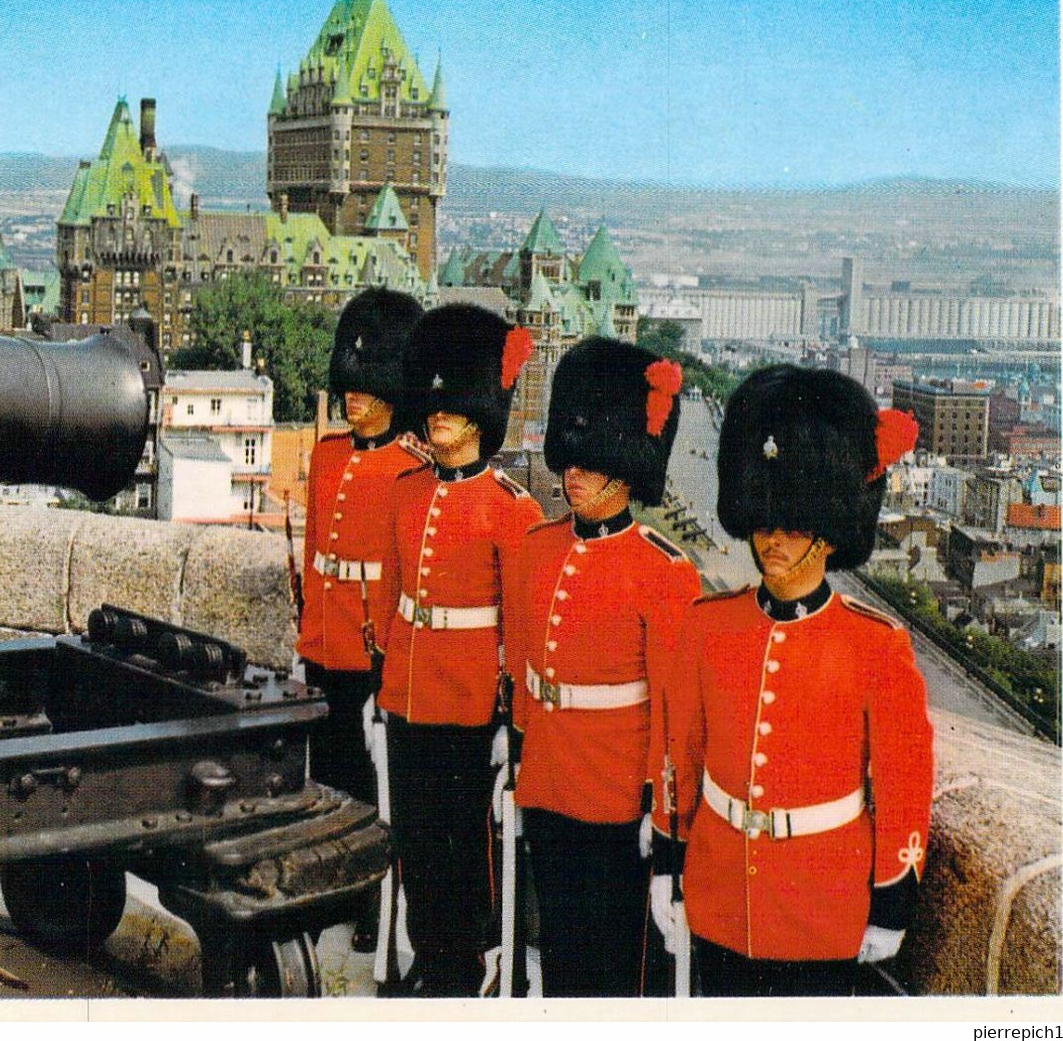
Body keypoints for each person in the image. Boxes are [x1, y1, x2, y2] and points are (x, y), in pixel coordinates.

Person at [650, 364, 932, 997]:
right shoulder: (706, 627)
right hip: (720, 892)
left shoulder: (875, 645)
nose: (772, 539)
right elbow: (681, 758)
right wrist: (669, 863)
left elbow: (903, 781)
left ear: (828, 537)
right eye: (765, 521)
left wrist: (891, 898)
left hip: (820, 908)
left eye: (795, 525)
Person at [507, 337, 702, 996]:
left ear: (627, 470)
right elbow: (524, 672)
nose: (574, 477)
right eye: (573, 462)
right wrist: (515, 759)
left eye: (593, 465)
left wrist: (664, 819)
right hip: (547, 781)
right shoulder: (538, 547)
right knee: (559, 949)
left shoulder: (664, 571)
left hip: (618, 798)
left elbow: (675, 718)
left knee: (611, 965)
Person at [377, 302, 545, 996]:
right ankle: (427, 957)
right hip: (409, 696)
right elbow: (393, 602)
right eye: (434, 407)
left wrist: (513, 724)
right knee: (414, 842)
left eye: (454, 409)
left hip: (471, 703)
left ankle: (464, 965)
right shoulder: (405, 494)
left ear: (481, 416)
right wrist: (382, 687)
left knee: (462, 849)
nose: (438, 417)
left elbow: (523, 632)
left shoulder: (513, 510)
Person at [295, 287, 425, 953]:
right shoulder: (325, 457)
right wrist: (305, 639)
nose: (354, 398)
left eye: (367, 389)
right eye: (350, 385)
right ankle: (329, 895)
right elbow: (318, 555)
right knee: (325, 784)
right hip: (324, 642)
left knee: (372, 798)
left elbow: (406, 579)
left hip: (371, 655)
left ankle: (376, 904)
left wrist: (390, 665)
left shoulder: (410, 472)